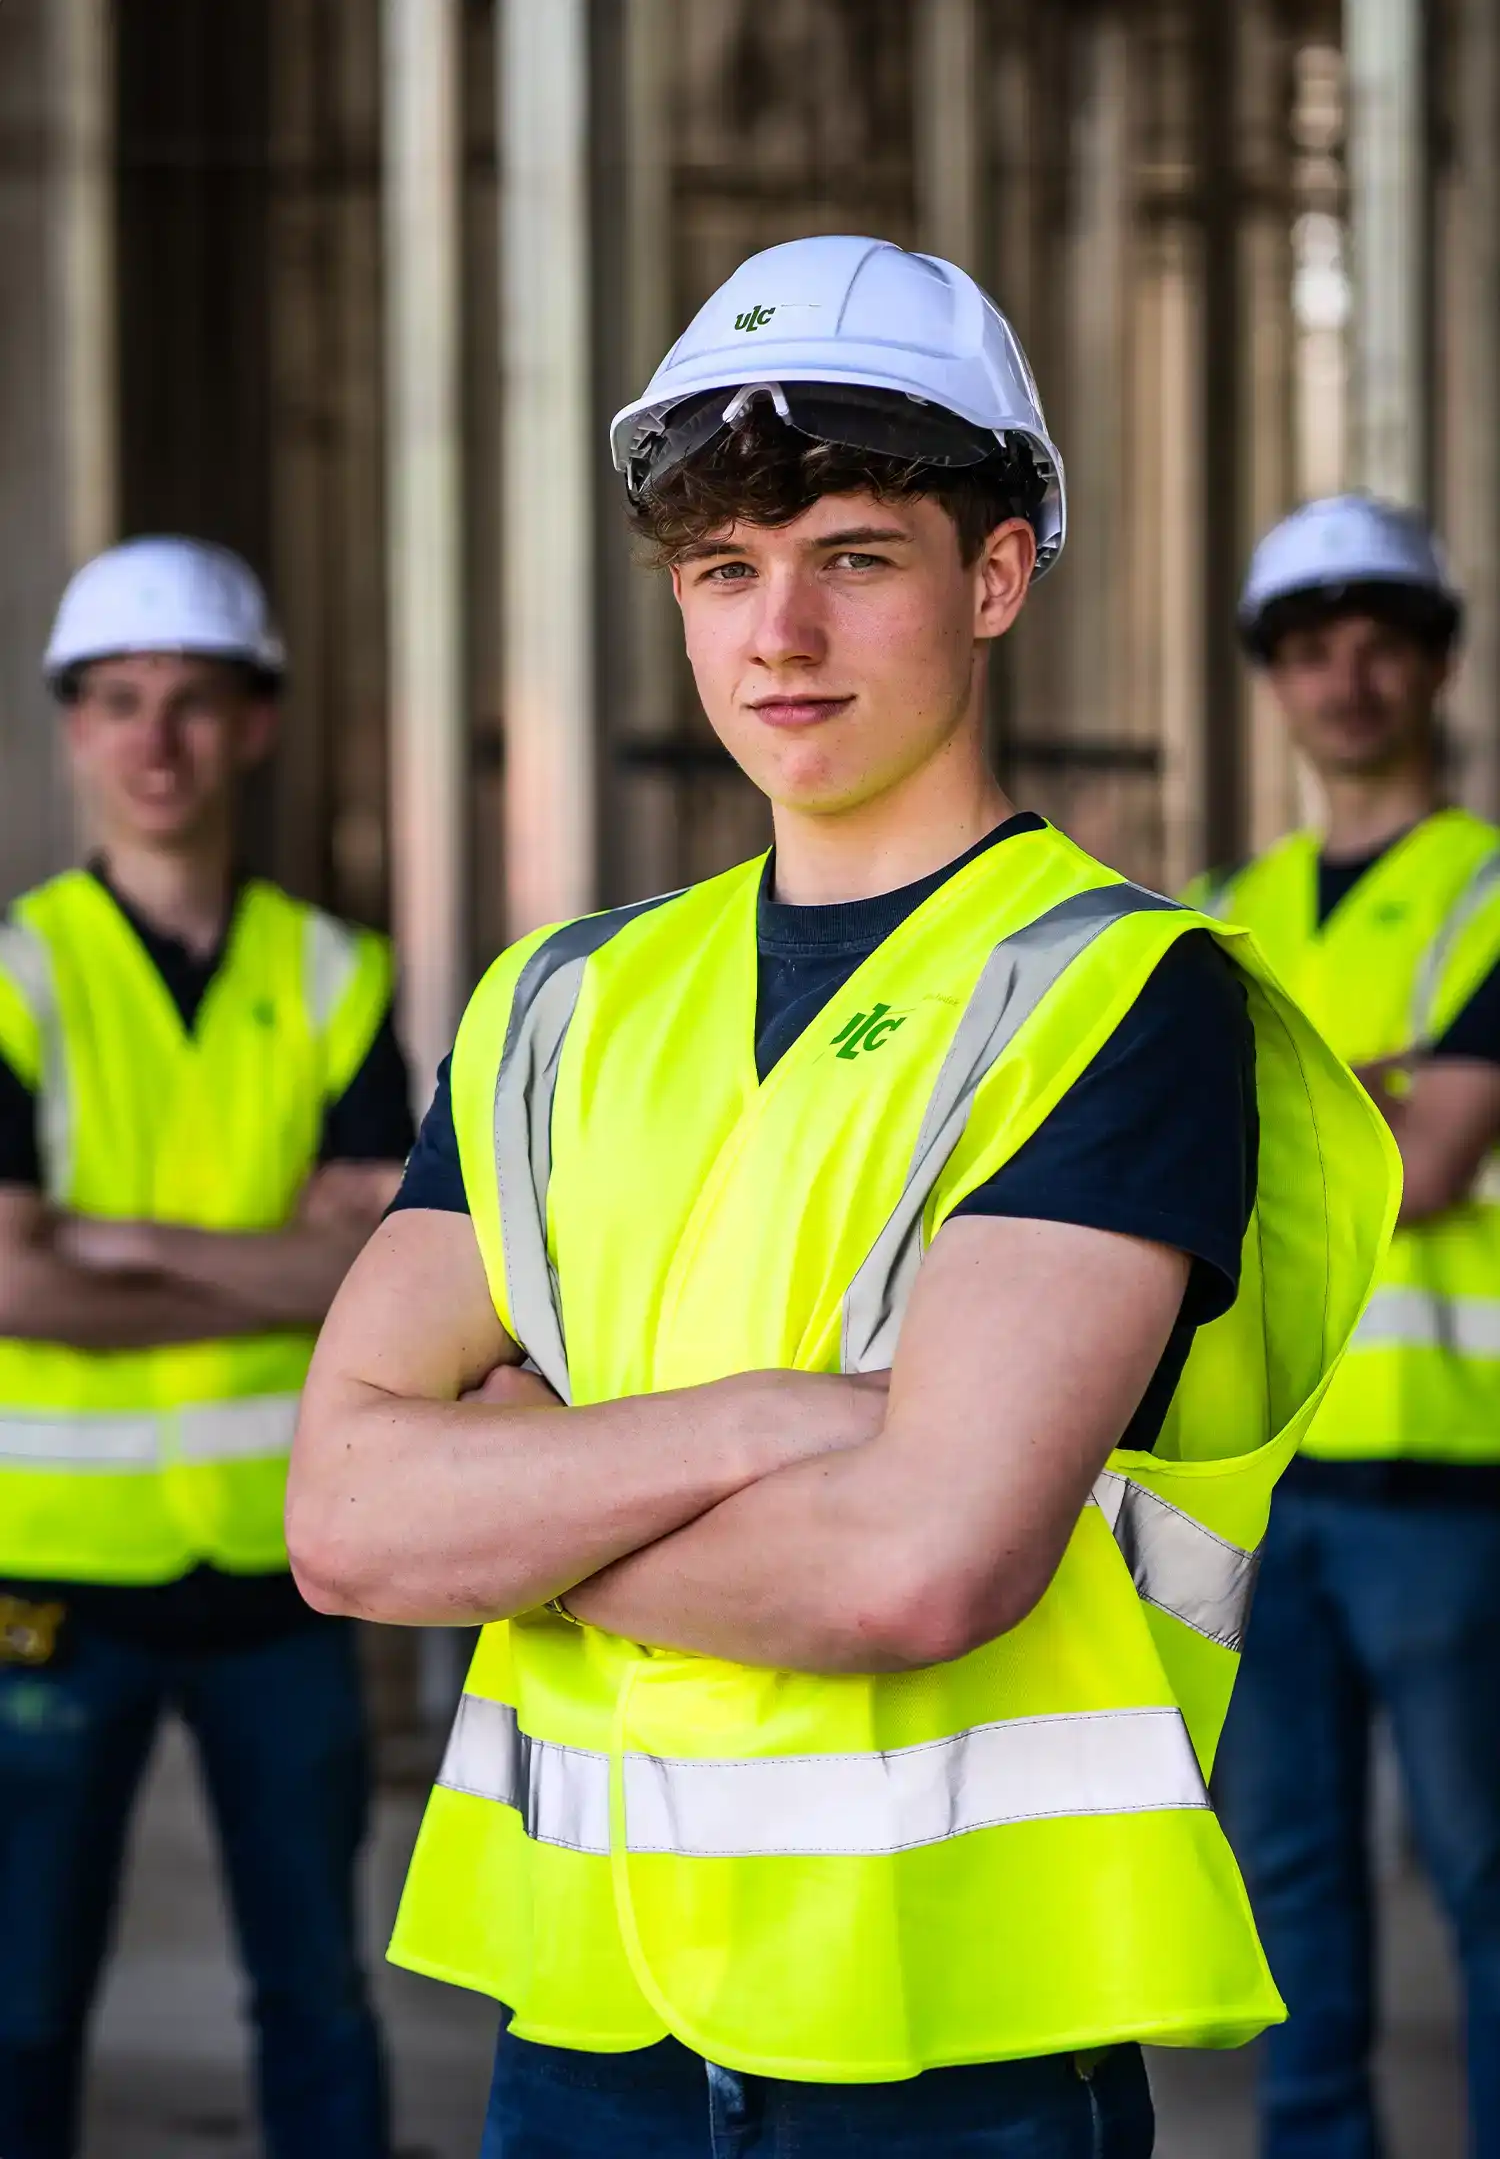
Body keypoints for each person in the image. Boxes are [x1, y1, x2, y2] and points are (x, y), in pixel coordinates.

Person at [288, 237, 1394, 2159]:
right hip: (585, 2028)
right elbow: (341, 1522)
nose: (777, 632)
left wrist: (518, 1509)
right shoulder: (561, 1003)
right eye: (726, 571)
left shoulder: (1113, 998)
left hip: (947, 2046)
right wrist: (775, 1428)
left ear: (994, 575)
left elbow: (920, 1566)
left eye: (853, 556)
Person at [0, 537, 412, 2159]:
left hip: (284, 1566)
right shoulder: (19, 974)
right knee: (23, 1997)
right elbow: (8, 1287)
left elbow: (382, 1261)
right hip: (49, 1573)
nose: (154, 739)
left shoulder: (335, 974)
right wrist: (286, 1265)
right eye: (117, 703)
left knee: (315, 1990)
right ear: (72, 729)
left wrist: (127, 1239)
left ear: (256, 725)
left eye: (191, 701)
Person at [1198, 494, 1500, 2159]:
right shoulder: (1221, 905)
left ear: (1438, 663)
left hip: (1454, 1477)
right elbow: (1157, 1161)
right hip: (1267, 1478)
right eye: (1311, 649)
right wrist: (1375, 1095)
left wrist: (1276, 1111)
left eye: (1382, 640)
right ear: (1275, 680)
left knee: (1483, 1872)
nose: (1349, 677)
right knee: (1288, 1872)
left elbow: (1440, 1156)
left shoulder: (1489, 894)